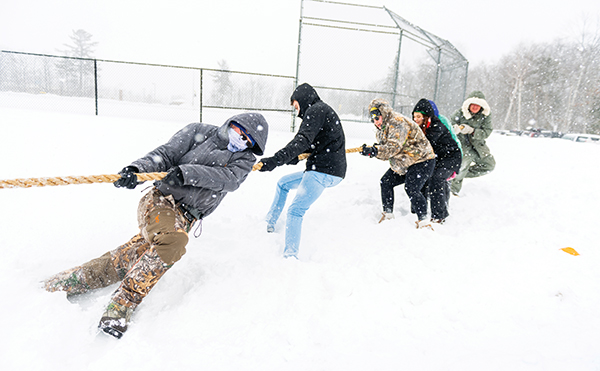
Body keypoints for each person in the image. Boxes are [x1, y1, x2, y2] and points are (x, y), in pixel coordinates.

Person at [43, 113, 269, 338]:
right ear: (231, 124)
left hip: (187, 217)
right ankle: (123, 303)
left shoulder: (244, 160)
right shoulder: (198, 132)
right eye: (240, 131)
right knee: (173, 241)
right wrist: (137, 170)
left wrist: (185, 173)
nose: (241, 139)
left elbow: (228, 179)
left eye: (248, 140)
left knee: (133, 257)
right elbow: (165, 155)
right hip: (160, 203)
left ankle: (72, 280)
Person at [259, 83, 346, 259]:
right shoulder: (321, 111)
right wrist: (292, 158)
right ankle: (269, 222)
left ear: (304, 100)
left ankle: (290, 255)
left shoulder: (316, 110)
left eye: (297, 106)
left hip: (323, 171)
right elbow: (314, 144)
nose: (297, 112)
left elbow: (302, 140)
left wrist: (275, 160)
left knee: (295, 211)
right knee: (283, 184)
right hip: (324, 170)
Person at [361, 98, 436, 229]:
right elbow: (387, 149)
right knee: (386, 182)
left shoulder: (397, 122)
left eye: (377, 117)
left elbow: (393, 148)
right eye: (373, 119)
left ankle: (424, 222)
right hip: (405, 161)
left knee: (411, 188)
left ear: (383, 113)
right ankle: (388, 215)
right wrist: (373, 150)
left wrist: (375, 151)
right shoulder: (383, 127)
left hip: (422, 160)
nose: (375, 122)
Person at [412, 98, 462, 224]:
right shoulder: (420, 127)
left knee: (436, 178)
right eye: (414, 116)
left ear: (426, 117)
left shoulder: (436, 126)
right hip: (437, 158)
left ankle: (439, 216)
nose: (415, 119)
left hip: (451, 158)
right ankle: (418, 208)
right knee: (421, 174)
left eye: (418, 116)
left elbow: (424, 146)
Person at [450, 91, 495, 195]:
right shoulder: (458, 114)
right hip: (463, 146)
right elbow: (449, 128)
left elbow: (487, 131)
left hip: (479, 147)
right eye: (473, 104)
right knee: (462, 165)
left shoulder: (485, 116)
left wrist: (472, 131)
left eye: (478, 105)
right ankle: (453, 190)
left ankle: (456, 175)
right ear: (468, 104)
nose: (475, 107)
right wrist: (455, 130)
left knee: (489, 165)